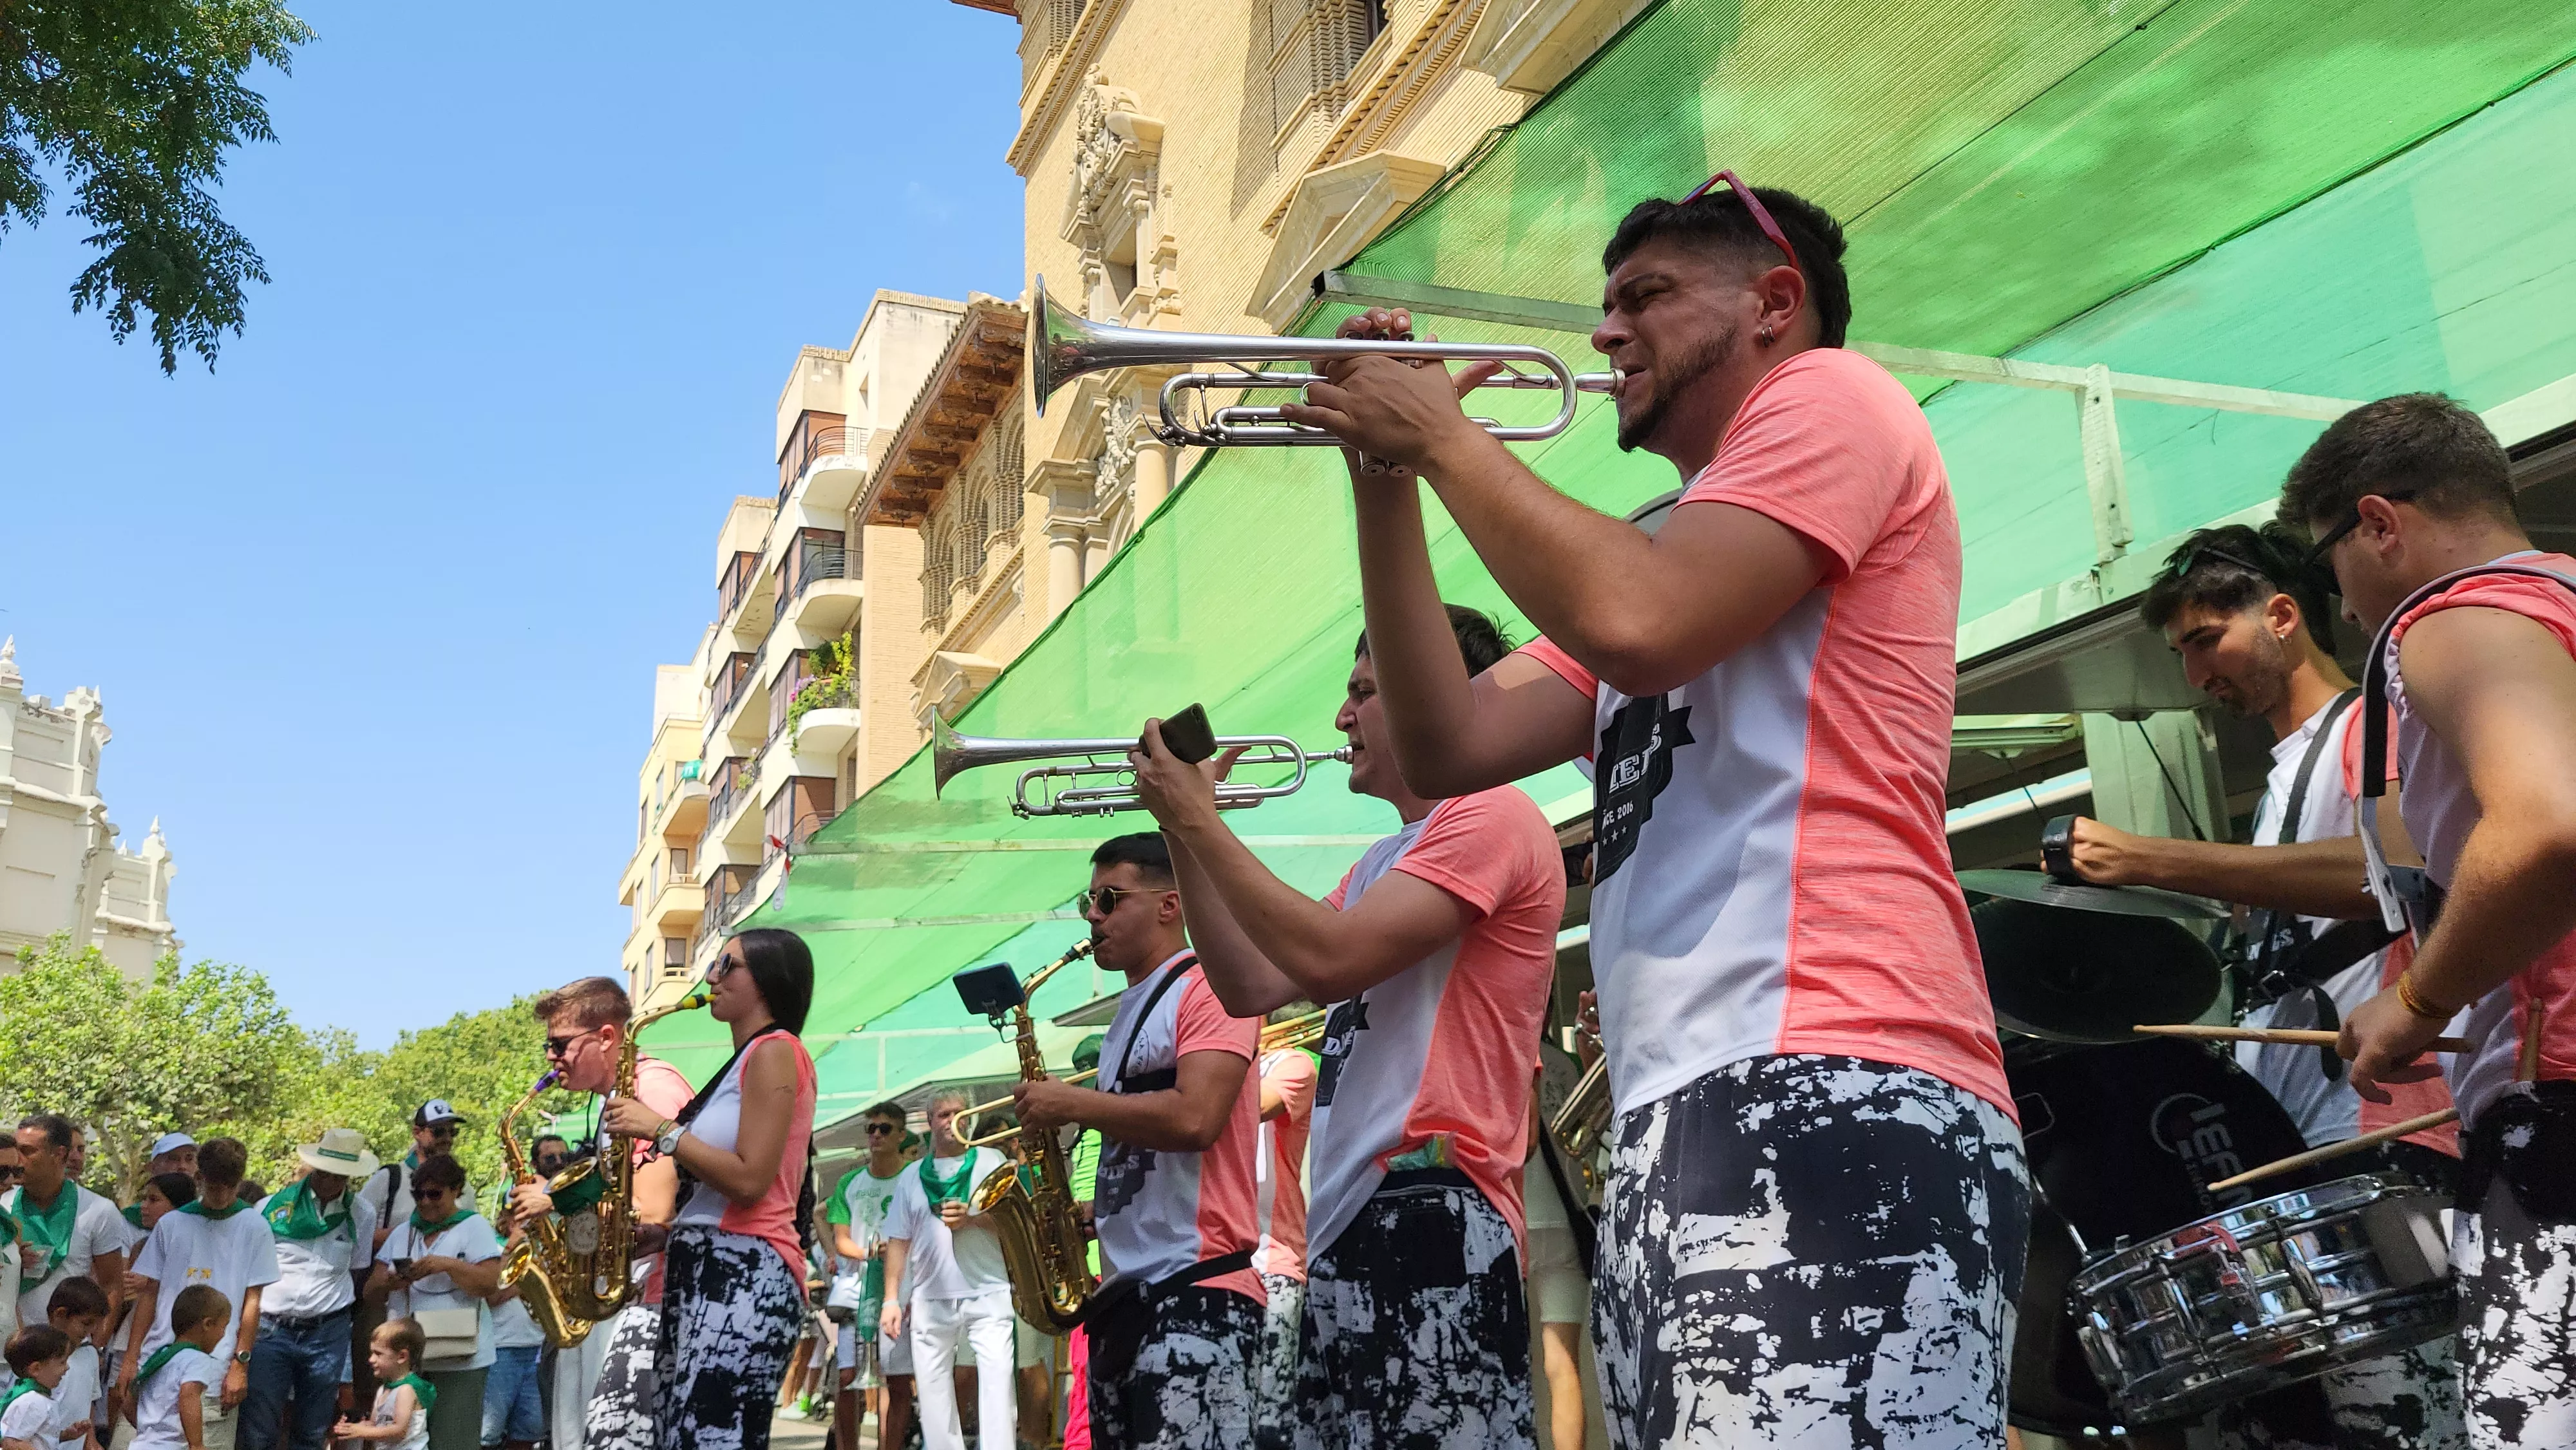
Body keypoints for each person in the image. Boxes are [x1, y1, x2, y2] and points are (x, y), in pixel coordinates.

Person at [1278, 177, 2029, 1448]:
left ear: (1773, 306)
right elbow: (1446, 739)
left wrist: (1451, 441)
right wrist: (1383, 483)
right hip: (1690, 1105)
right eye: (1606, 305)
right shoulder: (1663, 533)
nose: (1606, 335)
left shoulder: (1832, 395)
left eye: (1647, 297)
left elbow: (1644, 620)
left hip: (1830, 1065)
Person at [2051, 523, 2470, 1447]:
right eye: (2184, 655)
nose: (2199, 677)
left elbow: (2392, 868)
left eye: (2208, 642)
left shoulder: (2372, 720)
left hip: (2383, 1137)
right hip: (2301, 1150)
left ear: (2282, 615)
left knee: (2402, 1413)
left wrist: (2153, 858)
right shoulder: (2283, 779)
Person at [1128, 606, 1563, 1448]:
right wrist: (1183, 835)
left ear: (1432, 692)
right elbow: (1251, 980)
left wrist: (1200, 822)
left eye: (1364, 692)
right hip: (1361, 1217)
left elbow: (1330, 960)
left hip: (1434, 1208)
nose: (1341, 717)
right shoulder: (1380, 860)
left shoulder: (1491, 814)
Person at [2280, 393, 2576, 1449]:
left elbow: (2545, 823)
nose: (2348, 610)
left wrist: (2414, 1001)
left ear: (2379, 523)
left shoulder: (2447, 616)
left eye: (2330, 568)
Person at [1007, 833, 1265, 1450]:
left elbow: (1196, 1118)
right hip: (1128, 1299)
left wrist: (1071, 1103)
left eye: (1108, 898)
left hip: (1197, 1291)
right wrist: (1103, 1213)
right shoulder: (1130, 1006)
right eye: (1087, 902)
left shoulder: (1209, 985)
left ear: (1170, 905)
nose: (1092, 916)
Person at [598, 929, 817, 1450]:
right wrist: (665, 1233)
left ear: (767, 982)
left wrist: (660, 1130)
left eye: (727, 965)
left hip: (747, 1273)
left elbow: (749, 1181)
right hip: (706, 1267)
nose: (711, 977)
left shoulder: (776, 1051)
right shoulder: (745, 1061)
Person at [507, 977, 694, 1450]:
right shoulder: (616, 1099)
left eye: (560, 1044)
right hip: (611, 1294)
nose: (551, 1057)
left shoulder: (652, 1090)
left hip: (637, 1300)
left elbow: (653, 1210)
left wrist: (555, 1200)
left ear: (607, 1038)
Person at [120, 1139, 278, 1450]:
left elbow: (253, 1300)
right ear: (200, 1178)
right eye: (213, 1184)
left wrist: (240, 1364)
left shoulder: (254, 1226)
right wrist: (130, 1357)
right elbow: (150, 1294)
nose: (220, 1194)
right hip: (161, 1357)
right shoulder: (173, 1223)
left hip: (215, 1362)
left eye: (228, 1186)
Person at [876, 1094, 1012, 1450]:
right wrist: (891, 1299)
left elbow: (1014, 1223)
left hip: (988, 1290)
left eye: (959, 1114)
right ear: (930, 1122)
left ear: (968, 1119)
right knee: (934, 1395)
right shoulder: (910, 1177)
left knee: (998, 1384)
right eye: (943, 1115)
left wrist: (973, 1218)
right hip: (930, 1297)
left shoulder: (991, 1161)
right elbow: (898, 1243)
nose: (952, 1121)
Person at [243, 1128, 378, 1450]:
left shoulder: (361, 1213)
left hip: (327, 1332)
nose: (331, 1181)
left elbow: (357, 1269)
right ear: (315, 1167)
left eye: (340, 1175)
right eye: (326, 1172)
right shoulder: (270, 1207)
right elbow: (250, 1271)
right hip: (270, 1327)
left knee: (313, 1429)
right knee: (259, 1426)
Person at [366, 1155, 501, 1450]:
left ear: (456, 1191)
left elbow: (490, 1283)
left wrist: (447, 1265)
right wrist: (394, 1281)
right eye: (419, 1194)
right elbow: (370, 1291)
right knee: (401, 1441)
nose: (425, 1202)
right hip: (407, 1361)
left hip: (460, 1356)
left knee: (453, 1441)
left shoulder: (473, 1227)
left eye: (435, 1193)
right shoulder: (404, 1232)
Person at [824, 1103, 913, 1450]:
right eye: (871, 1129)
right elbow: (841, 1238)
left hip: (899, 1289)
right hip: (855, 1289)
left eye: (885, 1129)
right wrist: (869, 1253)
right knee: (848, 1378)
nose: (876, 1135)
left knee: (898, 1381)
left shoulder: (913, 1176)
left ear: (901, 1135)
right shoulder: (850, 1181)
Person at [7, 1117, 127, 1359]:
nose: (17, 1160)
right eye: (16, 1150)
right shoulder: (3, 1206)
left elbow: (112, 1284)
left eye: (27, 1151)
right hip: (11, 1349)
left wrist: (95, 1348)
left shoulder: (99, 1211)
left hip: (69, 1355)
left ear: (59, 1154)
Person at [1248, 1042, 1313, 1450]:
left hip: (1273, 1268)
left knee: (1270, 1428)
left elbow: (1250, 1106)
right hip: (1216, 1268)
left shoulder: (1292, 1063)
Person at [130, 1286, 227, 1450]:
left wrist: (147, 1431)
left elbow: (128, 1394)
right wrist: (196, 1445)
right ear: (208, 1324)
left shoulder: (162, 1356)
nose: (224, 1334)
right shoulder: (197, 1359)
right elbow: (189, 1396)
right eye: (223, 1327)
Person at [478, 1212, 544, 1450]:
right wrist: (511, 1249)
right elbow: (494, 1295)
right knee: (488, 1432)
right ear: (509, 1221)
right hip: (501, 1349)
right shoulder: (493, 1249)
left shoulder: (545, 1254)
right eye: (523, 1219)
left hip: (537, 1349)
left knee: (530, 1431)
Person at [336, 1320, 431, 1450]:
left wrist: (361, 1432)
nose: (371, 1359)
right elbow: (375, 1425)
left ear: (402, 1356)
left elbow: (399, 1431)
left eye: (378, 1354)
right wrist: (351, 1427)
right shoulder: (383, 1389)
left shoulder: (406, 1390)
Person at [43, 1277, 108, 1450]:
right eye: (86, 1323)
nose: (91, 1330)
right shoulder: (38, 1356)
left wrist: (91, 1440)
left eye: (95, 1324)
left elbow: (89, 1402)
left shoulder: (90, 1354)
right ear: (60, 1314)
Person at [3, 1326, 75, 1450]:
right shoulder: (32, 1402)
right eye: (62, 1362)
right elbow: (11, 1443)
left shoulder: (38, 1399)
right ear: (36, 1369)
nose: (67, 1367)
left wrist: (64, 1435)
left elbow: (37, 1437)